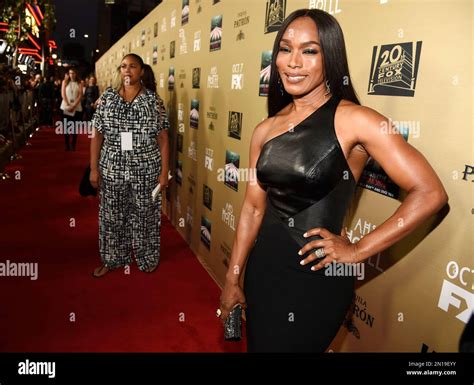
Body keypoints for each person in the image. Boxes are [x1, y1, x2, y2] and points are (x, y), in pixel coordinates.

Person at [218, 9, 448, 352]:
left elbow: (430, 193)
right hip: (263, 271)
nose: (293, 62)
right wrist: (233, 277)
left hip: (316, 279)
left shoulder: (355, 120)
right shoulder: (265, 129)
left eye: (309, 51)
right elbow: (252, 208)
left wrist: (358, 249)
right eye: (285, 49)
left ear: (330, 57)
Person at [89, 53, 170, 277]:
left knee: (146, 214)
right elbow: (96, 135)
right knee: (111, 215)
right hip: (112, 167)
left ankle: (146, 257)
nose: (127, 70)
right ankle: (112, 258)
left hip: (145, 169)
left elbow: (163, 138)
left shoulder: (153, 101)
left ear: (141, 71)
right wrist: (94, 169)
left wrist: (164, 173)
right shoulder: (107, 98)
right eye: (123, 66)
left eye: (132, 66)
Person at [60, 68, 83, 151]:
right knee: (66, 127)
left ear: (76, 74)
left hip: (76, 108)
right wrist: (68, 104)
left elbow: (80, 95)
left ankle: (73, 144)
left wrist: (74, 106)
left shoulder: (80, 82)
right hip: (66, 106)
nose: (71, 75)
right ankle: (67, 145)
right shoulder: (65, 82)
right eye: (70, 73)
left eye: (73, 73)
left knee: (75, 127)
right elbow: (63, 93)